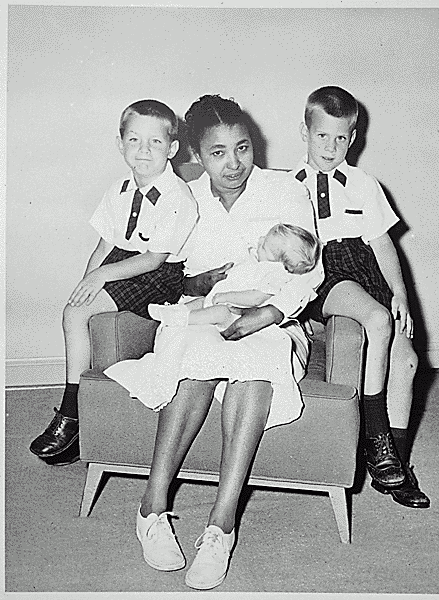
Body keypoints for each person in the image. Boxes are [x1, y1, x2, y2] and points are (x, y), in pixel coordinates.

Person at [128, 94, 321, 590]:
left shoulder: (284, 190)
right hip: (207, 318)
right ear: (194, 154)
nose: (233, 163)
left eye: (242, 148)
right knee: (197, 362)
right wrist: (203, 284)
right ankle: (152, 507)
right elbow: (177, 275)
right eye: (217, 152)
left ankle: (221, 526)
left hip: (276, 320)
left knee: (256, 368)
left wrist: (269, 312)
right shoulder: (186, 198)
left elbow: (309, 271)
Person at [29, 99, 199, 466]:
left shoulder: (177, 195)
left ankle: (71, 414)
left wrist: (101, 276)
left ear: (172, 149)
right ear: (120, 144)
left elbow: (154, 258)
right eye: (134, 140)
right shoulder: (118, 189)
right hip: (121, 264)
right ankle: (76, 412)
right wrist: (86, 282)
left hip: (159, 274)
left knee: (74, 315)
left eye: (155, 142)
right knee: (74, 312)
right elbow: (105, 246)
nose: (143, 150)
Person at [292, 85, 430, 509]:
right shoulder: (286, 186)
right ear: (305, 132)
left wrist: (400, 293)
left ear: (352, 138)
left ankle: (396, 465)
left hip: (367, 269)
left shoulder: (364, 183)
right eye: (322, 136)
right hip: (325, 271)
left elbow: (383, 246)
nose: (331, 146)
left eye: (340, 138)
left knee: (406, 360)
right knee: (376, 320)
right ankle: (376, 439)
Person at [104, 222, 322, 411]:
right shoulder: (256, 263)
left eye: (264, 245)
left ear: (278, 263)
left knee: (217, 311)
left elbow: (256, 298)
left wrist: (224, 295)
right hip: (219, 299)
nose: (259, 239)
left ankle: (181, 318)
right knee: (202, 305)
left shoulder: (273, 274)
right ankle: (173, 312)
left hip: (239, 314)